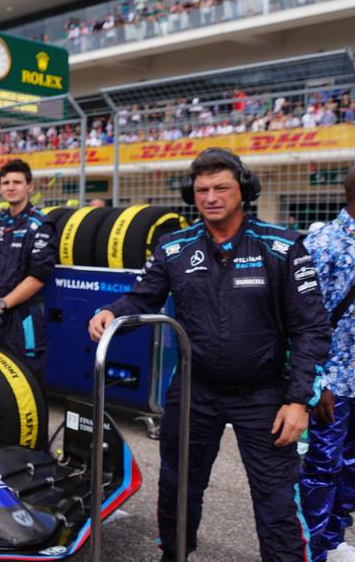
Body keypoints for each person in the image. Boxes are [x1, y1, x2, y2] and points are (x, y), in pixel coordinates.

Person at [88, 147, 329, 562]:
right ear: (191, 194)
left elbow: (312, 329)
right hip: (194, 391)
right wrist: (111, 311)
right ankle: (175, 555)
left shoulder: (284, 247)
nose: (211, 197)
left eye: (221, 187)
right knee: (179, 485)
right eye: (202, 189)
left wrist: (297, 401)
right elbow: (141, 297)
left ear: (244, 191)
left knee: (276, 503)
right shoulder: (173, 248)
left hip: (265, 395)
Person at [301, 163, 355, 562]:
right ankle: (310, 551)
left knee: (351, 471)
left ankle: (333, 542)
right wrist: (316, 380)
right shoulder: (325, 243)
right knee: (322, 468)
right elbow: (301, 317)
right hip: (333, 383)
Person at [0, 160, 55, 384]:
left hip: (23, 319)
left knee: (28, 383)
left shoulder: (40, 224)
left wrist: (1, 306)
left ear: (29, 186)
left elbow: (38, 277)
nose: (11, 187)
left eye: (17, 182)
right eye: (6, 182)